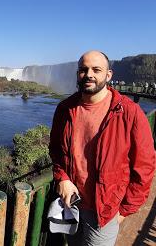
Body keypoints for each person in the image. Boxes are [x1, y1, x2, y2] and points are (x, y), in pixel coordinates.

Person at [48, 50, 155, 246]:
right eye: (83, 70)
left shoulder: (129, 113)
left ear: (108, 75)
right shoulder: (65, 109)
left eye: (96, 70)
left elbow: (145, 165)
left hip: (105, 210)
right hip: (72, 202)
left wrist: (125, 209)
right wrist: (62, 177)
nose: (89, 74)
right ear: (78, 74)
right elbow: (55, 150)